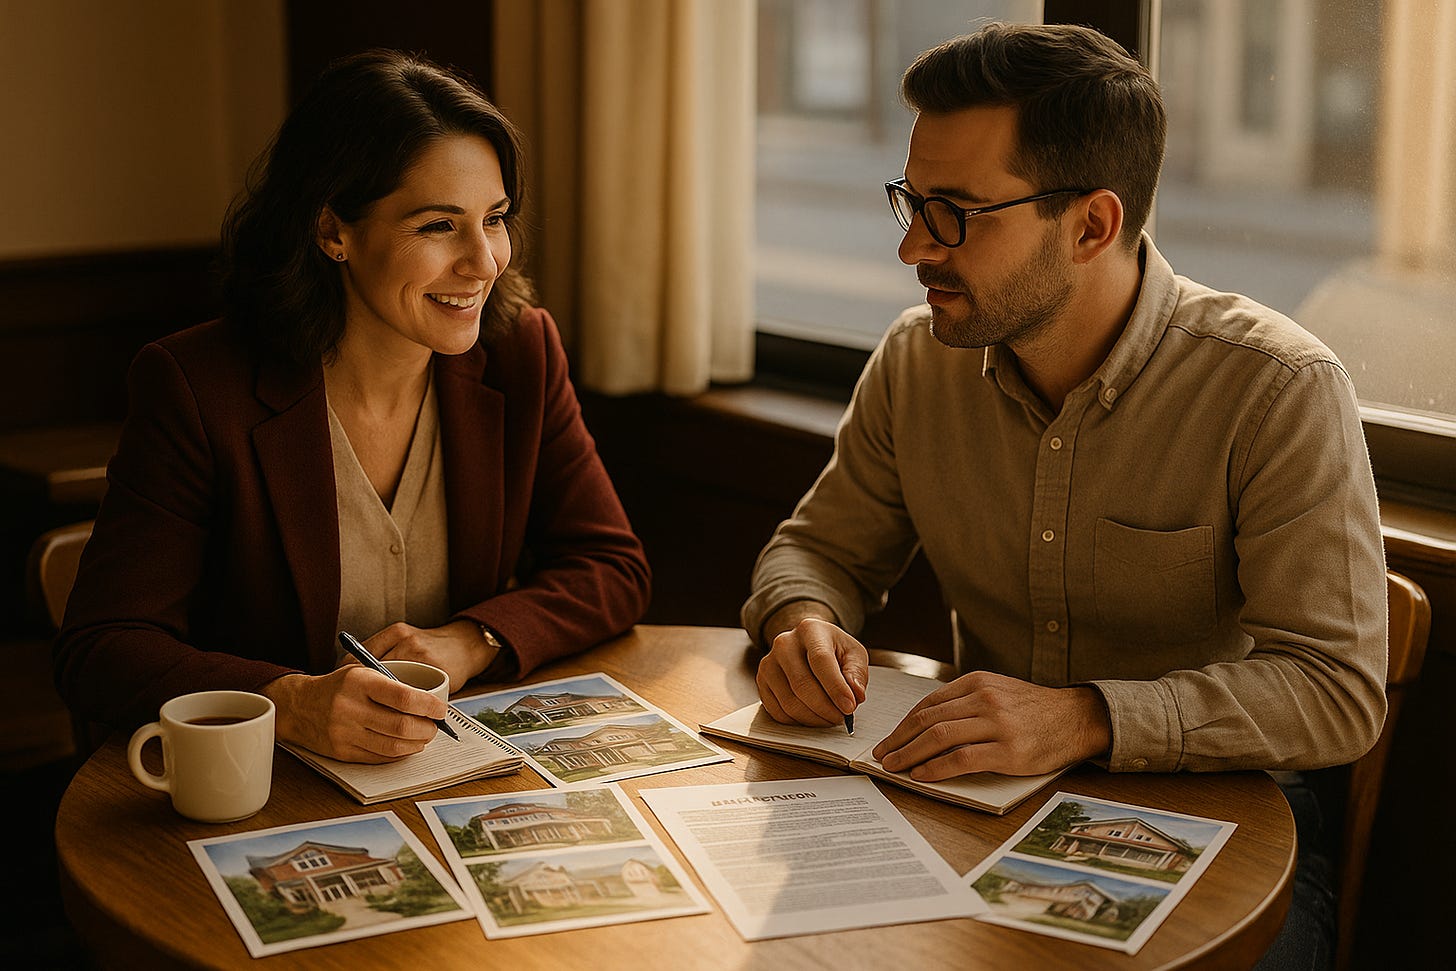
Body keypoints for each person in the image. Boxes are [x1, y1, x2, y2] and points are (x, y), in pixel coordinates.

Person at [742, 23, 1385, 968]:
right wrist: (803, 618)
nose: (914, 247)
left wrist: (1086, 715)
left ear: (1092, 225)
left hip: (1225, 829)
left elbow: (1336, 691)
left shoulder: (1276, 387)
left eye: (955, 211)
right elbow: (818, 550)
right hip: (974, 803)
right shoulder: (917, 363)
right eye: (910, 202)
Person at [54, 50, 651, 764]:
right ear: (332, 230)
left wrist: (471, 639)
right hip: (264, 789)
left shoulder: (522, 352)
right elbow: (102, 648)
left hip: (449, 775)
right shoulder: (196, 386)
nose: (485, 261)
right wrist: (288, 701)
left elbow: (612, 565)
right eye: (437, 226)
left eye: (494, 219)